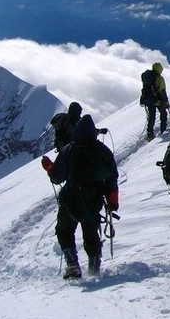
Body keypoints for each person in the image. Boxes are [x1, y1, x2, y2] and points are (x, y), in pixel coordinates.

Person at [41, 114, 119, 279]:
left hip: (70, 200)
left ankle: (72, 265)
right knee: (91, 233)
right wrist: (112, 202)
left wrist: (48, 166)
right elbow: (112, 178)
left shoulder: (69, 150)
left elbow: (56, 177)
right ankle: (94, 266)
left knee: (64, 230)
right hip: (94, 200)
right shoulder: (103, 151)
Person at [140, 62, 170, 141]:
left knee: (151, 117)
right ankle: (163, 130)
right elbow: (162, 91)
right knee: (163, 113)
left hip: (149, 100)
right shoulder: (159, 78)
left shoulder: (147, 76)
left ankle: (150, 133)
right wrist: (166, 102)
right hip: (158, 100)